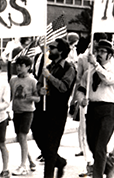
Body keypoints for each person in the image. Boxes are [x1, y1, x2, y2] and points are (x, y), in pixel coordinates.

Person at [31, 38, 76, 178]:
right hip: (42, 109)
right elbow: (39, 84)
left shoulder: (69, 69)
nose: (50, 49)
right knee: (38, 136)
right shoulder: (48, 67)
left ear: (61, 51)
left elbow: (64, 87)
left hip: (57, 111)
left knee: (51, 147)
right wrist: (40, 90)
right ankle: (60, 161)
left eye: (53, 47)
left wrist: (49, 77)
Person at [77, 39, 114, 178]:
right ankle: (109, 166)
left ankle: (97, 175)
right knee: (92, 144)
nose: (99, 54)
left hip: (107, 110)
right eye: (98, 51)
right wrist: (80, 99)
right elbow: (81, 88)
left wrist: (95, 64)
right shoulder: (89, 72)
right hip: (93, 108)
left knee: (101, 147)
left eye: (103, 52)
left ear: (110, 55)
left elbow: (107, 79)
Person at [9, 55, 40, 176]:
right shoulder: (13, 80)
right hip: (16, 111)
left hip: (27, 112)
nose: (18, 68)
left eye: (21, 66)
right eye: (17, 65)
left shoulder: (32, 81)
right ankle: (31, 161)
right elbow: (9, 96)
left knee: (22, 136)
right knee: (20, 138)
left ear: (28, 67)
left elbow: (38, 98)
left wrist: (29, 97)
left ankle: (23, 165)